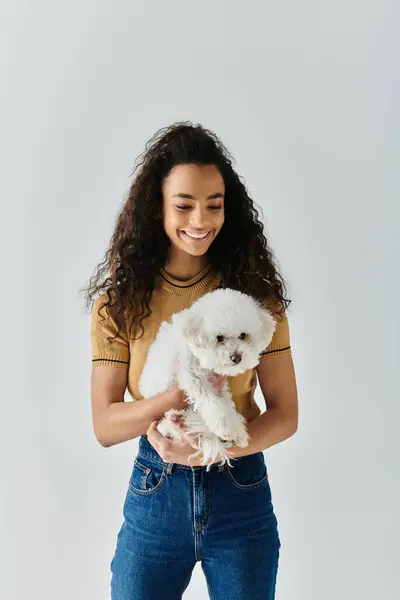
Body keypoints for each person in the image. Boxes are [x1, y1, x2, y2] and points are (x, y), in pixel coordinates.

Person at [83, 121, 298, 599]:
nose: (200, 219)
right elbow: (105, 424)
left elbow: (285, 414)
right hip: (155, 492)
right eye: (183, 204)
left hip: (240, 489)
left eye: (214, 205)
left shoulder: (255, 302)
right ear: (155, 207)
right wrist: (173, 398)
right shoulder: (118, 304)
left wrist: (211, 451)